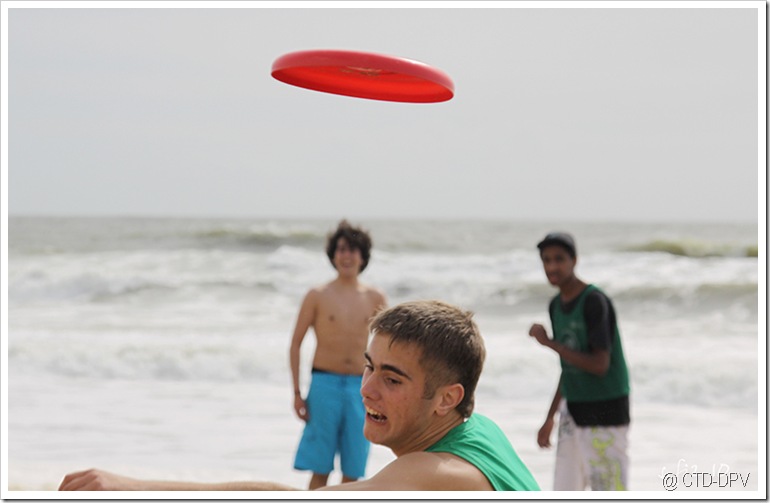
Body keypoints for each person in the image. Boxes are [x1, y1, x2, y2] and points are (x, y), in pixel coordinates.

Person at [59, 300, 540, 491]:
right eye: (368, 367)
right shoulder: (477, 429)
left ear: (446, 398)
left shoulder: (434, 473)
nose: (366, 388)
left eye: (392, 380)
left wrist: (136, 488)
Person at [528, 232, 631, 491]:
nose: (552, 267)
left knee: (609, 492)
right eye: (546, 260)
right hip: (572, 411)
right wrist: (549, 417)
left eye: (559, 259)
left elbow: (599, 365)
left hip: (605, 411)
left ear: (574, 260)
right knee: (564, 491)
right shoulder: (555, 305)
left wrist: (549, 343)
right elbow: (569, 366)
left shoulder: (594, 301)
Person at [289, 219, 387, 488]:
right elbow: (295, 343)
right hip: (323, 385)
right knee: (319, 467)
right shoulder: (317, 295)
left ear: (363, 256)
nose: (347, 255)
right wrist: (297, 393)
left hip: (362, 387)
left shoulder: (376, 298)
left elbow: (389, 350)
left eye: (353, 250)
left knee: (353, 470)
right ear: (333, 255)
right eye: (342, 249)